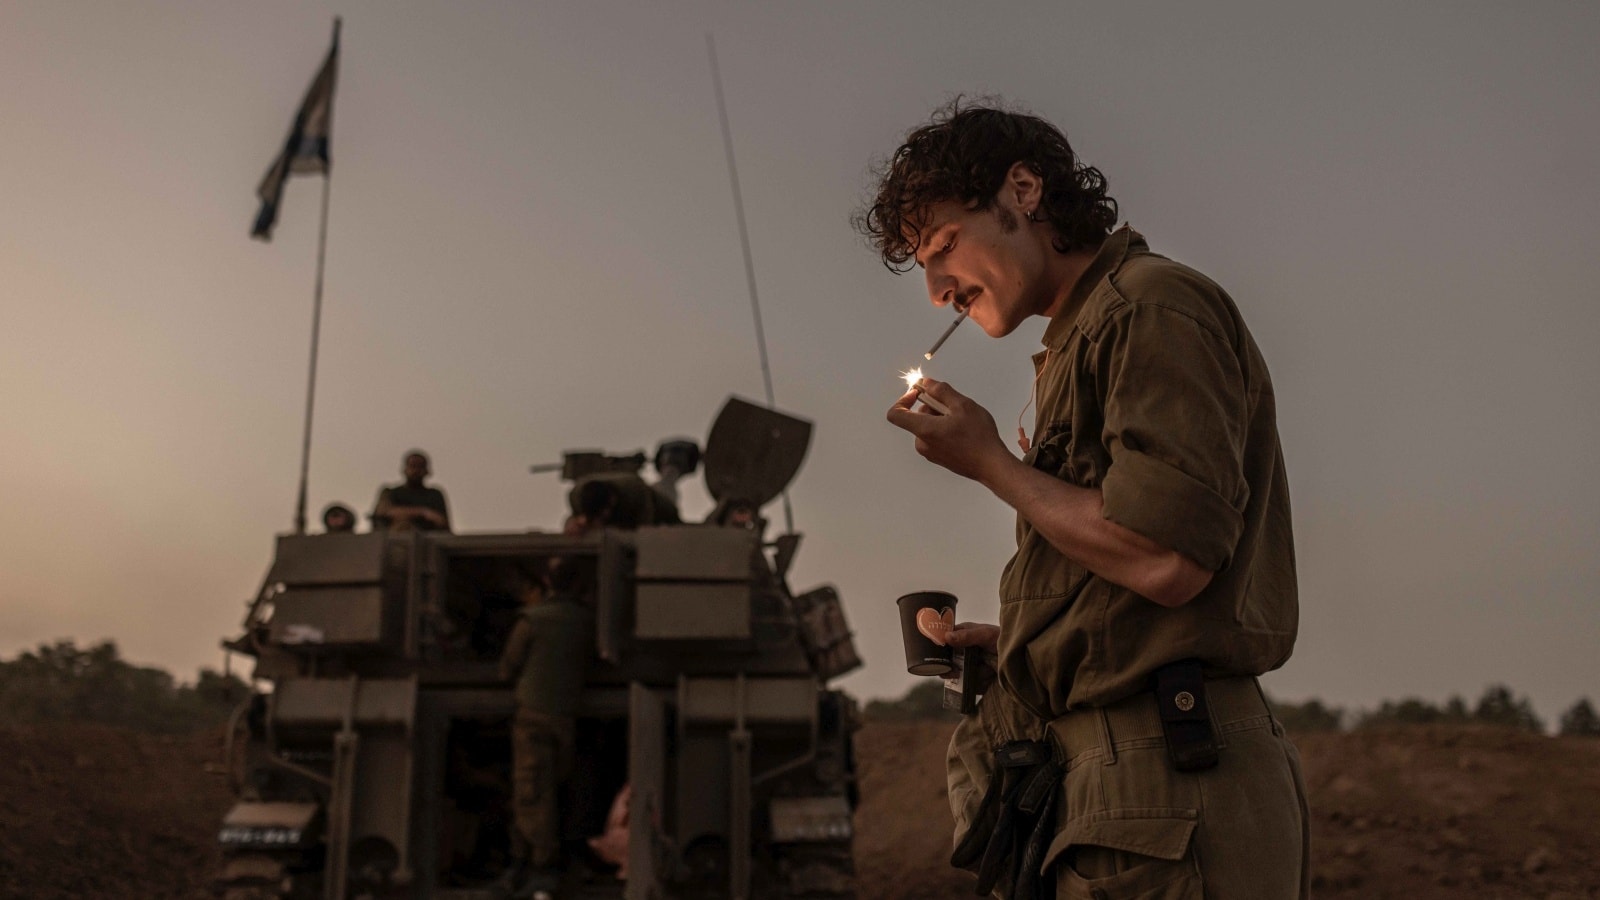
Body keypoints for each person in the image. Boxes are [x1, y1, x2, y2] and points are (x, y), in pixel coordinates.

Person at [861, 101, 1308, 898]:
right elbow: (1123, 570)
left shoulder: (1150, 307)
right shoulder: (1081, 337)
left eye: (944, 247)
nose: (936, 291)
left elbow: (1169, 560)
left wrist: (992, 462)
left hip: (1172, 778)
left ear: (1024, 191)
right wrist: (1031, 644)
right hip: (1118, 782)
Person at [497, 566, 595, 898]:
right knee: (554, 786)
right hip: (565, 717)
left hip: (533, 715)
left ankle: (537, 866)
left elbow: (508, 667)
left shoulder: (533, 620)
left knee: (531, 790)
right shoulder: (585, 620)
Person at [371, 449, 452, 532]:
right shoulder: (391, 492)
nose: (416, 471)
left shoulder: (435, 495)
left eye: (420, 467)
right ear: (405, 469)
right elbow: (383, 512)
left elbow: (442, 521)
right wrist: (422, 512)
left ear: (426, 471)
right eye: (413, 466)